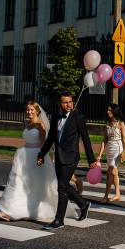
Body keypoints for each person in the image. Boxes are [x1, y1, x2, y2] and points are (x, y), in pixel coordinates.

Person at [0, 101, 76, 222]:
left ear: (37, 111)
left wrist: (41, 157)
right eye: (28, 110)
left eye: (32, 110)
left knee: (37, 185)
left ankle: (33, 208)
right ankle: (9, 210)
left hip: (35, 155)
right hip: (24, 155)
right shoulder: (28, 124)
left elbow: (43, 144)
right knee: (18, 182)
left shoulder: (40, 125)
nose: (29, 112)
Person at [37, 91, 97, 230]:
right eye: (65, 102)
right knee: (63, 186)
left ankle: (59, 220)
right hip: (59, 156)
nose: (69, 104)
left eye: (70, 101)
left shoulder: (78, 117)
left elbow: (86, 139)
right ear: (59, 103)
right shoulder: (56, 117)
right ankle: (83, 204)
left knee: (62, 187)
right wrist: (41, 154)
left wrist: (91, 159)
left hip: (71, 156)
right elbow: (51, 138)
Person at [97, 104, 125, 203]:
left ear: (114, 111)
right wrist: (100, 154)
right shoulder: (108, 123)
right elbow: (104, 140)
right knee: (114, 173)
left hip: (117, 148)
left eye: (110, 110)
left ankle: (106, 196)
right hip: (109, 149)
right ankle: (117, 194)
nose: (108, 112)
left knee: (110, 172)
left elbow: (124, 138)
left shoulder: (120, 123)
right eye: (107, 110)